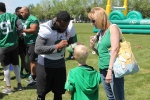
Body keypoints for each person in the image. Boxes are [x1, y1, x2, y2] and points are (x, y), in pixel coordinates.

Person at [35, 11, 75, 100]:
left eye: (66, 26)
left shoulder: (69, 27)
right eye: (62, 26)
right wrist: (57, 46)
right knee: (41, 93)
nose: (64, 28)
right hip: (45, 64)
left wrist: (75, 46)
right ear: (57, 21)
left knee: (59, 92)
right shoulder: (46, 28)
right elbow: (38, 49)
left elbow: (72, 42)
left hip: (60, 64)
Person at [88, 7, 125, 100]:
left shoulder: (113, 28)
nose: (91, 23)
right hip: (103, 69)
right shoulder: (101, 32)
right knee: (110, 97)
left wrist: (109, 71)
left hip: (113, 70)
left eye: (93, 21)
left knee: (118, 98)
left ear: (100, 18)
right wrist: (93, 47)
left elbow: (115, 50)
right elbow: (102, 54)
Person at [0, 2, 23, 94]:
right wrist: (17, 35)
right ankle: (19, 85)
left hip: (2, 46)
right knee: (15, 65)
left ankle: (9, 88)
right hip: (14, 44)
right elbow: (21, 27)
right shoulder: (13, 16)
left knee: (6, 67)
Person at [20, 6, 39, 87]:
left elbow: (33, 30)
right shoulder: (27, 19)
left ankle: (35, 79)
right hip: (28, 42)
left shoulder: (32, 19)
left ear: (27, 11)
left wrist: (22, 30)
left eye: (22, 12)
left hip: (33, 42)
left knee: (33, 61)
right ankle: (32, 76)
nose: (21, 14)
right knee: (31, 60)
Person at [15, 7, 29, 78]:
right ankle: (24, 71)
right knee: (22, 57)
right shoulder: (15, 19)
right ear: (17, 12)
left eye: (22, 12)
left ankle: (23, 71)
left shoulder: (24, 19)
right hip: (18, 41)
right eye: (20, 12)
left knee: (24, 56)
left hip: (24, 40)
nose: (21, 13)